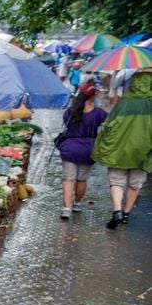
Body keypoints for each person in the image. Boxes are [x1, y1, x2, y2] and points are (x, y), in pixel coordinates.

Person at [91, 72, 152, 229]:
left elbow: (109, 126)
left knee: (116, 181)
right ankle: (126, 214)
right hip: (143, 151)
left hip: (119, 150)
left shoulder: (124, 102)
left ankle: (117, 210)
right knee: (135, 184)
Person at [56, 84, 108, 220]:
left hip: (69, 147)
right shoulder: (99, 113)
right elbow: (109, 125)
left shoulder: (70, 111)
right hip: (88, 149)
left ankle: (66, 209)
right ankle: (77, 204)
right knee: (81, 179)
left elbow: (66, 125)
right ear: (93, 96)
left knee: (69, 179)